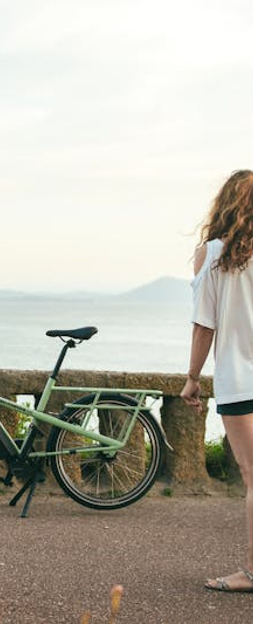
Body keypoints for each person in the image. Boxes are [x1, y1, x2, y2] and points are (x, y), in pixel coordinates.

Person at [180, 168, 253, 592]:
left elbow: (203, 325)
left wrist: (192, 378)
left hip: (240, 380)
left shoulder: (213, 253)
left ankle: (251, 572)